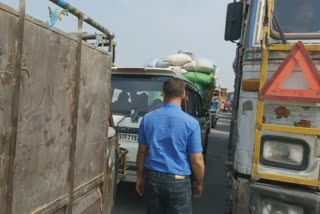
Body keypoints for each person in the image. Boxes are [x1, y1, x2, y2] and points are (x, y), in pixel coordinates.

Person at [136, 78, 205, 214]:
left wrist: (139, 177)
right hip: (178, 181)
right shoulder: (191, 123)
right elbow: (197, 161)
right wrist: (199, 182)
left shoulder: (148, 119)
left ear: (163, 94)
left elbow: (142, 152)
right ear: (183, 95)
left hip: (152, 178)